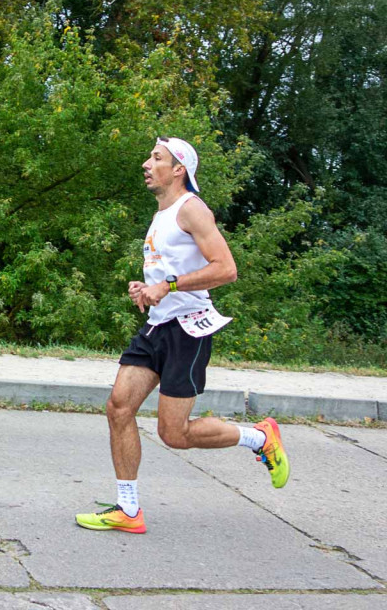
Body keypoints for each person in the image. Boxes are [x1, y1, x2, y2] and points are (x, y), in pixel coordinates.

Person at [75, 137, 289, 534]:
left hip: (187, 330)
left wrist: (169, 286)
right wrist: (148, 288)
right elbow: (168, 272)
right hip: (157, 326)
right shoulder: (162, 214)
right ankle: (128, 509)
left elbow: (226, 269)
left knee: (174, 434)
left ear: (178, 170)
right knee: (118, 408)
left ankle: (259, 438)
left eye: (156, 158)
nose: (146, 163)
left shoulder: (192, 209)